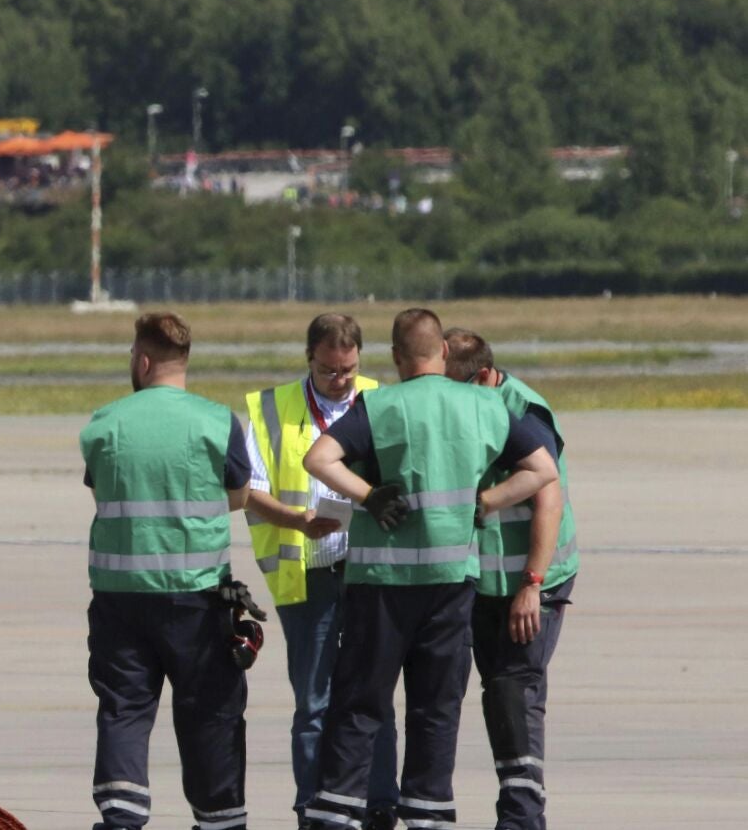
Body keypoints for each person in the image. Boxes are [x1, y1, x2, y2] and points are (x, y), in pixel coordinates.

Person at [297, 309, 560, 830]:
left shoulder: (380, 405)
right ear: (442, 352)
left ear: (396, 357)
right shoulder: (486, 406)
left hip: (380, 587)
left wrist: (370, 495)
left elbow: (318, 459)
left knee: (360, 704)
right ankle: (429, 813)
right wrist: (484, 502)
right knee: (435, 709)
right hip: (450, 585)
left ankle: (336, 812)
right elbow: (542, 468)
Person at [83, 312, 262, 830]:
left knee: (123, 711)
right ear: (184, 361)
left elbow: (102, 491)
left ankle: (121, 816)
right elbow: (237, 495)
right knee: (210, 714)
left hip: (120, 599)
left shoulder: (104, 423)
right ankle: (221, 818)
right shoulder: (218, 421)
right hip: (199, 599)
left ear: (141, 361)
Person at [242, 314, 400, 829]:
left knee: (373, 690)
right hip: (305, 569)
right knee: (313, 698)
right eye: (331, 371)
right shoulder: (270, 408)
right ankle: (313, 804)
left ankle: (379, 802)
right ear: (309, 357)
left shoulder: (381, 398)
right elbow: (249, 489)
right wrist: (295, 520)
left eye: (349, 370)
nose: (341, 380)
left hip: (370, 567)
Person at [445, 328, 577, 830]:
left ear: (481, 376)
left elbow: (548, 494)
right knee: (495, 691)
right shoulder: (470, 405)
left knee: (514, 689)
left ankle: (522, 817)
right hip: (485, 580)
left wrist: (532, 584)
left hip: (529, 580)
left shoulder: (523, 412)